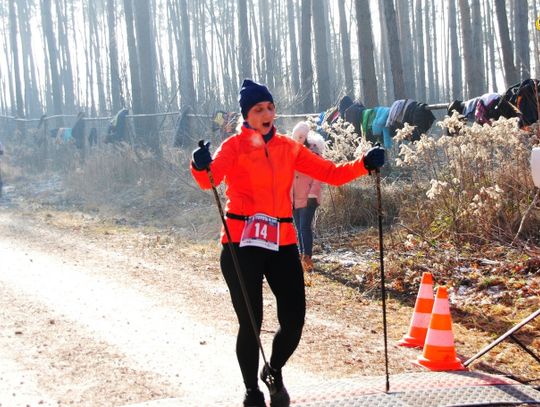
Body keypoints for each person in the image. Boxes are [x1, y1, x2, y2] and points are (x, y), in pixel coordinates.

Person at [190, 79, 385, 407]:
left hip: (280, 242)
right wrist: (199, 164)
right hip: (241, 243)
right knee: (250, 322)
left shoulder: (287, 147)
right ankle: (252, 392)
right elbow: (209, 180)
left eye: (269, 107)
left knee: (294, 320)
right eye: (258, 109)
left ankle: (273, 369)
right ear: (247, 116)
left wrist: (364, 164)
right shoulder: (234, 147)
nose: (267, 113)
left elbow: (331, 174)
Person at [291, 122, 325, 280]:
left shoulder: (314, 152)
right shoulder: (292, 152)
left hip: (308, 197)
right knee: (298, 227)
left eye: (301, 136)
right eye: (297, 136)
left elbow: (319, 176)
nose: (299, 139)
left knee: (304, 227)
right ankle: (301, 256)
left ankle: (307, 258)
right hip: (294, 197)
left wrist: (313, 193)